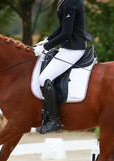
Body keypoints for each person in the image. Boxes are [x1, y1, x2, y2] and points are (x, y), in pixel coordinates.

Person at [34, 0, 87, 134]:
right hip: (68, 47)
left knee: (44, 78)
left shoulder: (71, 2)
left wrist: (46, 47)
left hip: (73, 49)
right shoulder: (65, 1)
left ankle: (54, 121)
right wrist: (48, 39)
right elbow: (63, 26)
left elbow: (66, 34)